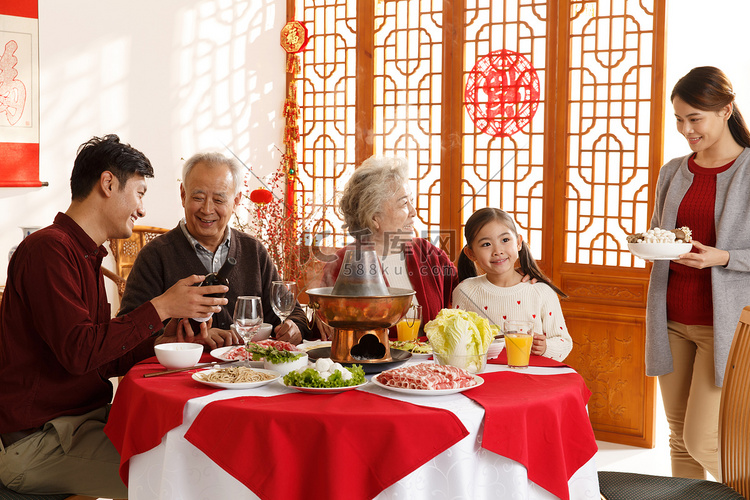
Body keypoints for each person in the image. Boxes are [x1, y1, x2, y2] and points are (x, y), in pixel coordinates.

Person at [0, 135, 227, 497]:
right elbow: (80, 354)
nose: (142, 210)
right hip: (38, 442)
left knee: (200, 448)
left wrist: (164, 341)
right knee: (183, 477)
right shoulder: (48, 250)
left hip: (82, 424)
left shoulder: (85, 255)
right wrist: (162, 306)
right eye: (139, 193)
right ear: (108, 184)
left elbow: (100, 359)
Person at [646, 66, 750, 480]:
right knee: (677, 437)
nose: (685, 129)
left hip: (723, 325)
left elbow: (728, 254)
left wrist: (722, 257)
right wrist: (653, 247)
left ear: (726, 110)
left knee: (703, 438)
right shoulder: (673, 171)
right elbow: (659, 234)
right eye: (678, 119)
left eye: (694, 119)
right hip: (671, 320)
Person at [118, 152, 312, 345]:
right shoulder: (155, 255)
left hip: (252, 372)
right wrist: (186, 340)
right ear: (183, 194)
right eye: (198, 197)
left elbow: (292, 312)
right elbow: (128, 334)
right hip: (183, 372)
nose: (207, 209)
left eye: (219, 200)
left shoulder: (253, 251)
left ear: (236, 201)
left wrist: (293, 327)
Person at [318, 156, 458, 338]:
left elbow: (463, 296)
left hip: (429, 365)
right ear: (375, 217)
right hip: (370, 365)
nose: (414, 212)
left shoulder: (429, 254)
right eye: (404, 203)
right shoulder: (343, 263)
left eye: (412, 201)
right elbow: (325, 327)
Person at [453, 207, 572, 361]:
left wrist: (546, 347)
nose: (498, 251)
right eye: (486, 244)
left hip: (531, 378)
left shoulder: (541, 292)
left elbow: (564, 343)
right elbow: (457, 342)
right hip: (484, 377)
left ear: (518, 243)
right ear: (471, 253)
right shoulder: (465, 291)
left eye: (505, 240)